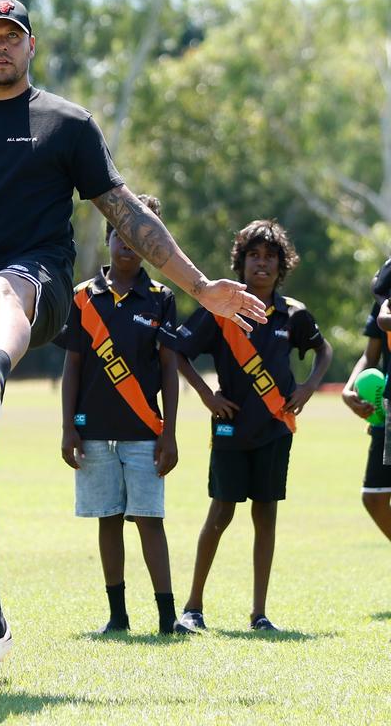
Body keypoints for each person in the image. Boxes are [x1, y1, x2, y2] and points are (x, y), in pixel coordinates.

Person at [0, 0, 267, 687]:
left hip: (34, 289)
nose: (1, 46)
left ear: (30, 47)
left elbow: (127, 215)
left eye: (13, 36)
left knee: (0, 294)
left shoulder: (66, 124)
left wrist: (199, 285)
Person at [166, 220, 332, 633]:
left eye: (270, 257)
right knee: (220, 512)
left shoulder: (292, 313)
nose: (262, 264)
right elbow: (176, 351)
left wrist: (310, 385)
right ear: (240, 264)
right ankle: (193, 607)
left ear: (282, 266)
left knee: (266, 516)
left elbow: (323, 349)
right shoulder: (222, 310)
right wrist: (207, 396)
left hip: (275, 429)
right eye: (254, 256)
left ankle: (259, 614)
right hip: (231, 429)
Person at [58, 195, 187, 636]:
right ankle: (118, 616)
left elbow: (170, 370)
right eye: (121, 235)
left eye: (140, 239)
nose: (128, 245)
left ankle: (168, 618)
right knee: (107, 518)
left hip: (143, 434)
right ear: (110, 238)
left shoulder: (161, 298)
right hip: (92, 434)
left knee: (150, 521)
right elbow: (72, 366)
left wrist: (169, 433)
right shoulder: (83, 298)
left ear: (153, 247)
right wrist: (67, 429)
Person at [341, 292, 391, 543]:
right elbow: (370, 355)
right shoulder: (385, 291)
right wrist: (348, 389)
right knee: (374, 496)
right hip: (388, 408)